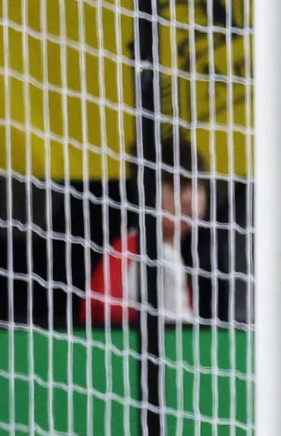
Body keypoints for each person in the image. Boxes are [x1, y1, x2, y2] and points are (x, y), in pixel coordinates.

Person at [85, 135, 208, 324]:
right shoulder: (138, 253)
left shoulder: (170, 251)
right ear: (149, 191)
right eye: (178, 187)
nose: (190, 199)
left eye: (197, 186)